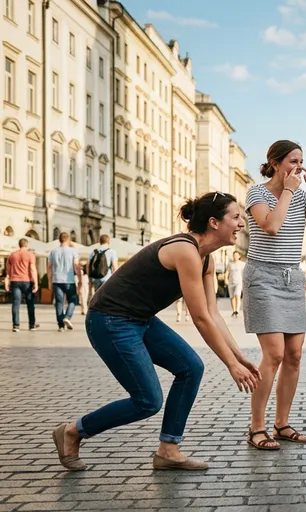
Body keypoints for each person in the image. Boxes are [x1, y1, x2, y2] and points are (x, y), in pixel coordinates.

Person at [51, 192, 261, 471]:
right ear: (213, 222)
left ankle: (168, 450)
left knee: (191, 367)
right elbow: (198, 317)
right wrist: (231, 365)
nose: (242, 223)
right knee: (147, 400)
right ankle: (72, 431)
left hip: (140, 319)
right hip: (109, 320)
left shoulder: (206, 260)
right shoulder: (185, 250)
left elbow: (213, 314)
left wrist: (239, 356)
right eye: (235, 217)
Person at [243, 140, 306, 450]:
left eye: (302, 160)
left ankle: (281, 424)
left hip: (292, 278)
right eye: (293, 160)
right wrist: (290, 191)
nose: (299, 165)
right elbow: (271, 226)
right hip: (263, 277)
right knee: (275, 354)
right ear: (276, 163)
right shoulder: (257, 192)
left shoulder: (302, 194)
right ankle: (257, 427)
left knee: (294, 355)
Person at [48, 232, 82, 332]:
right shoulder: (73, 251)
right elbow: (76, 266)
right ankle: (67, 316)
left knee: (59, 303)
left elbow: (49, 267)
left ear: (59, 239)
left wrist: (49, 281)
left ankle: (61, 326)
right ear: (68, 240)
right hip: (69, 280)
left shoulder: (53, 251)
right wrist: (80, 279)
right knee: (73, 300)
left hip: (56, 280)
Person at [4, 238, 39, 332]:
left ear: (19, 245)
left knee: (16, 303)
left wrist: (7, 281)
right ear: (26, 245)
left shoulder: (12, 255)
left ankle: (16, 325)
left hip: (15, 281)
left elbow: (8, 271)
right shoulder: (30, 255)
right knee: (30, 303)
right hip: (27, 281)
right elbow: (32, 269)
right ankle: (32, 325)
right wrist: (36, 282)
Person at [225, 251, 245, 317]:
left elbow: (245, 273)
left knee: (237, 295)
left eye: (236, 255)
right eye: (234, 255)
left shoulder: (242, 264)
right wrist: (226, 279)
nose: (235, 257)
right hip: (231, 282)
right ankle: (234, 310)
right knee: (232, 297)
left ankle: (237, 310)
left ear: (239, 256)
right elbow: (227, 272)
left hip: (239, 282)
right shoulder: (230, 264)